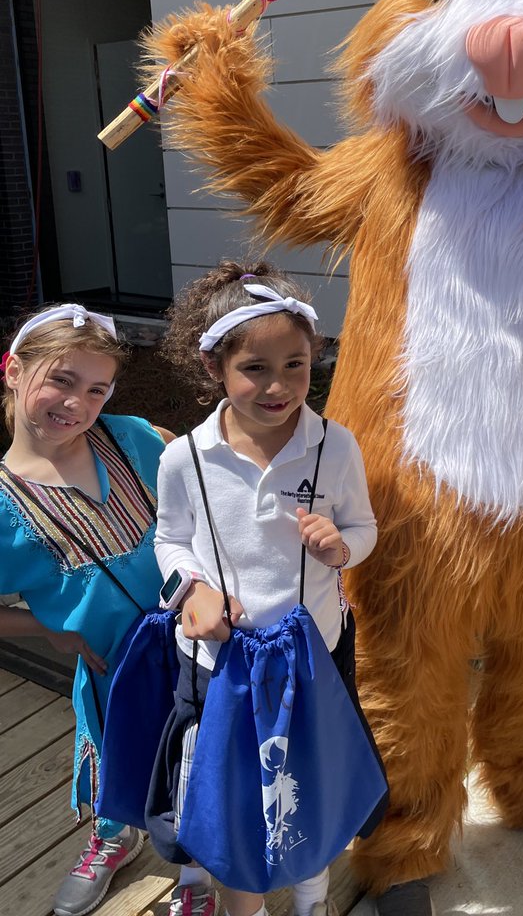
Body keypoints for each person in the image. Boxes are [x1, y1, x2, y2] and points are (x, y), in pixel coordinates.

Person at [147, 261, 378, 916]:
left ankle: (311, 896)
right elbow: (166, 543)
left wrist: (343, 547)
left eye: (296, 365)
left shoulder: (334, 446)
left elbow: (364, 526)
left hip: (314, 659)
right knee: (231, 792)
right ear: (214, 367)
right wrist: (190, 593)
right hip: (220, 666)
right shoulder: (184, 458)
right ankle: (230, 891)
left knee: (313, 779)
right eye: (255, 368)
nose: (278, 386)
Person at [0, 304, 171, 916]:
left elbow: (202, 498)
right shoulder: (2, 505)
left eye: (97, 389)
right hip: (108, 667)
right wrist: (48, 629)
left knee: (195, 750)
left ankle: (199, 872)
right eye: (61, 380)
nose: (78, 402)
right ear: (13, 371)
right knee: (117, 747)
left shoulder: (133, 438)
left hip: (193, 640)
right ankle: (113, 837)